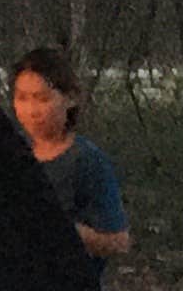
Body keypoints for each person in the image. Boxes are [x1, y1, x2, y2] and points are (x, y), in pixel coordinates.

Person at [8, 46, 130, 265]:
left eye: (42, 99)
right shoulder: (11, 152)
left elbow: (119, 242)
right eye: (22, 98)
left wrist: (67, 232)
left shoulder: (86, 160)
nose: (32, 110)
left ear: (70, 99)